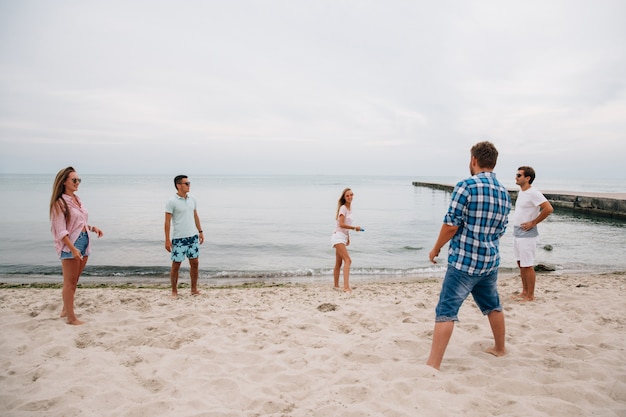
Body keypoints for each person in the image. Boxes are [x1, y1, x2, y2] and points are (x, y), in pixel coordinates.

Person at [426, 141, 511, 370]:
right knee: (493, 305)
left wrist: (436, 248)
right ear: (493, 162)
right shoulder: (504, 192)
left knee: (446, 310)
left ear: (474, 160)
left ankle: (433, 364)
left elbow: (451, 224)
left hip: (464, 261)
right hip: (489, 261)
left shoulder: (466, 185)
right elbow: (501, 230)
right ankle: (500, 349)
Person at [49, 167, 103, 325]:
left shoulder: (76, 199)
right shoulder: (59, 203)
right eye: (74, 180)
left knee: (74, 280)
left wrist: (92, 228)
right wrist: (73, 249)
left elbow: (79, 222)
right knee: (70, 282)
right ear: (64, 182)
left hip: (84, 242)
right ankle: (71, 318)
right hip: (72, 245)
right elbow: (60, 231)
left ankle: (66, 309)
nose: (77, 182)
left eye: (78, 180)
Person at [512, 166, 554, 302]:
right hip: (517, 232)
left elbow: (548, 208)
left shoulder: (533, 193)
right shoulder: (522, 192)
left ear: (527, 178)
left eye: (519, 175)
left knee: (527, 264)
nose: (516, 177)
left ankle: (530, 295)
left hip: (528, 234)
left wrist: (533, 222)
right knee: (520, 263)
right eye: (516, 175)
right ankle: (524, 291)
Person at [164, 175, 204, 298]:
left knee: (195, 263)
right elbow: (167, 222)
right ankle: (174, 291)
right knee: (176, 265)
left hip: (192, 237)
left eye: (189, 183)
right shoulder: (172, 201)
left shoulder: (192, 199)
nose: (189, 185)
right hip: (179, 238)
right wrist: (167, 240)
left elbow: (195, 215)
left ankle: (193, 289)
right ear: (179, 185)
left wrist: (200, 231)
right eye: (186, 183)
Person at [331, 188, 362, 292]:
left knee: (338, 263)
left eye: (351, 195)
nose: (350, 197)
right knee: (348, 260)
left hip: (343, 237)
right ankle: (346, 287)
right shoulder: (343, 208)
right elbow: (341, 224)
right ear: (344, 197)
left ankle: (336, 286)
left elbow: (346, 225)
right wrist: (354, 228)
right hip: (338, 236)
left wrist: (348, 237)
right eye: (347, 195)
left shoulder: (350, 208)